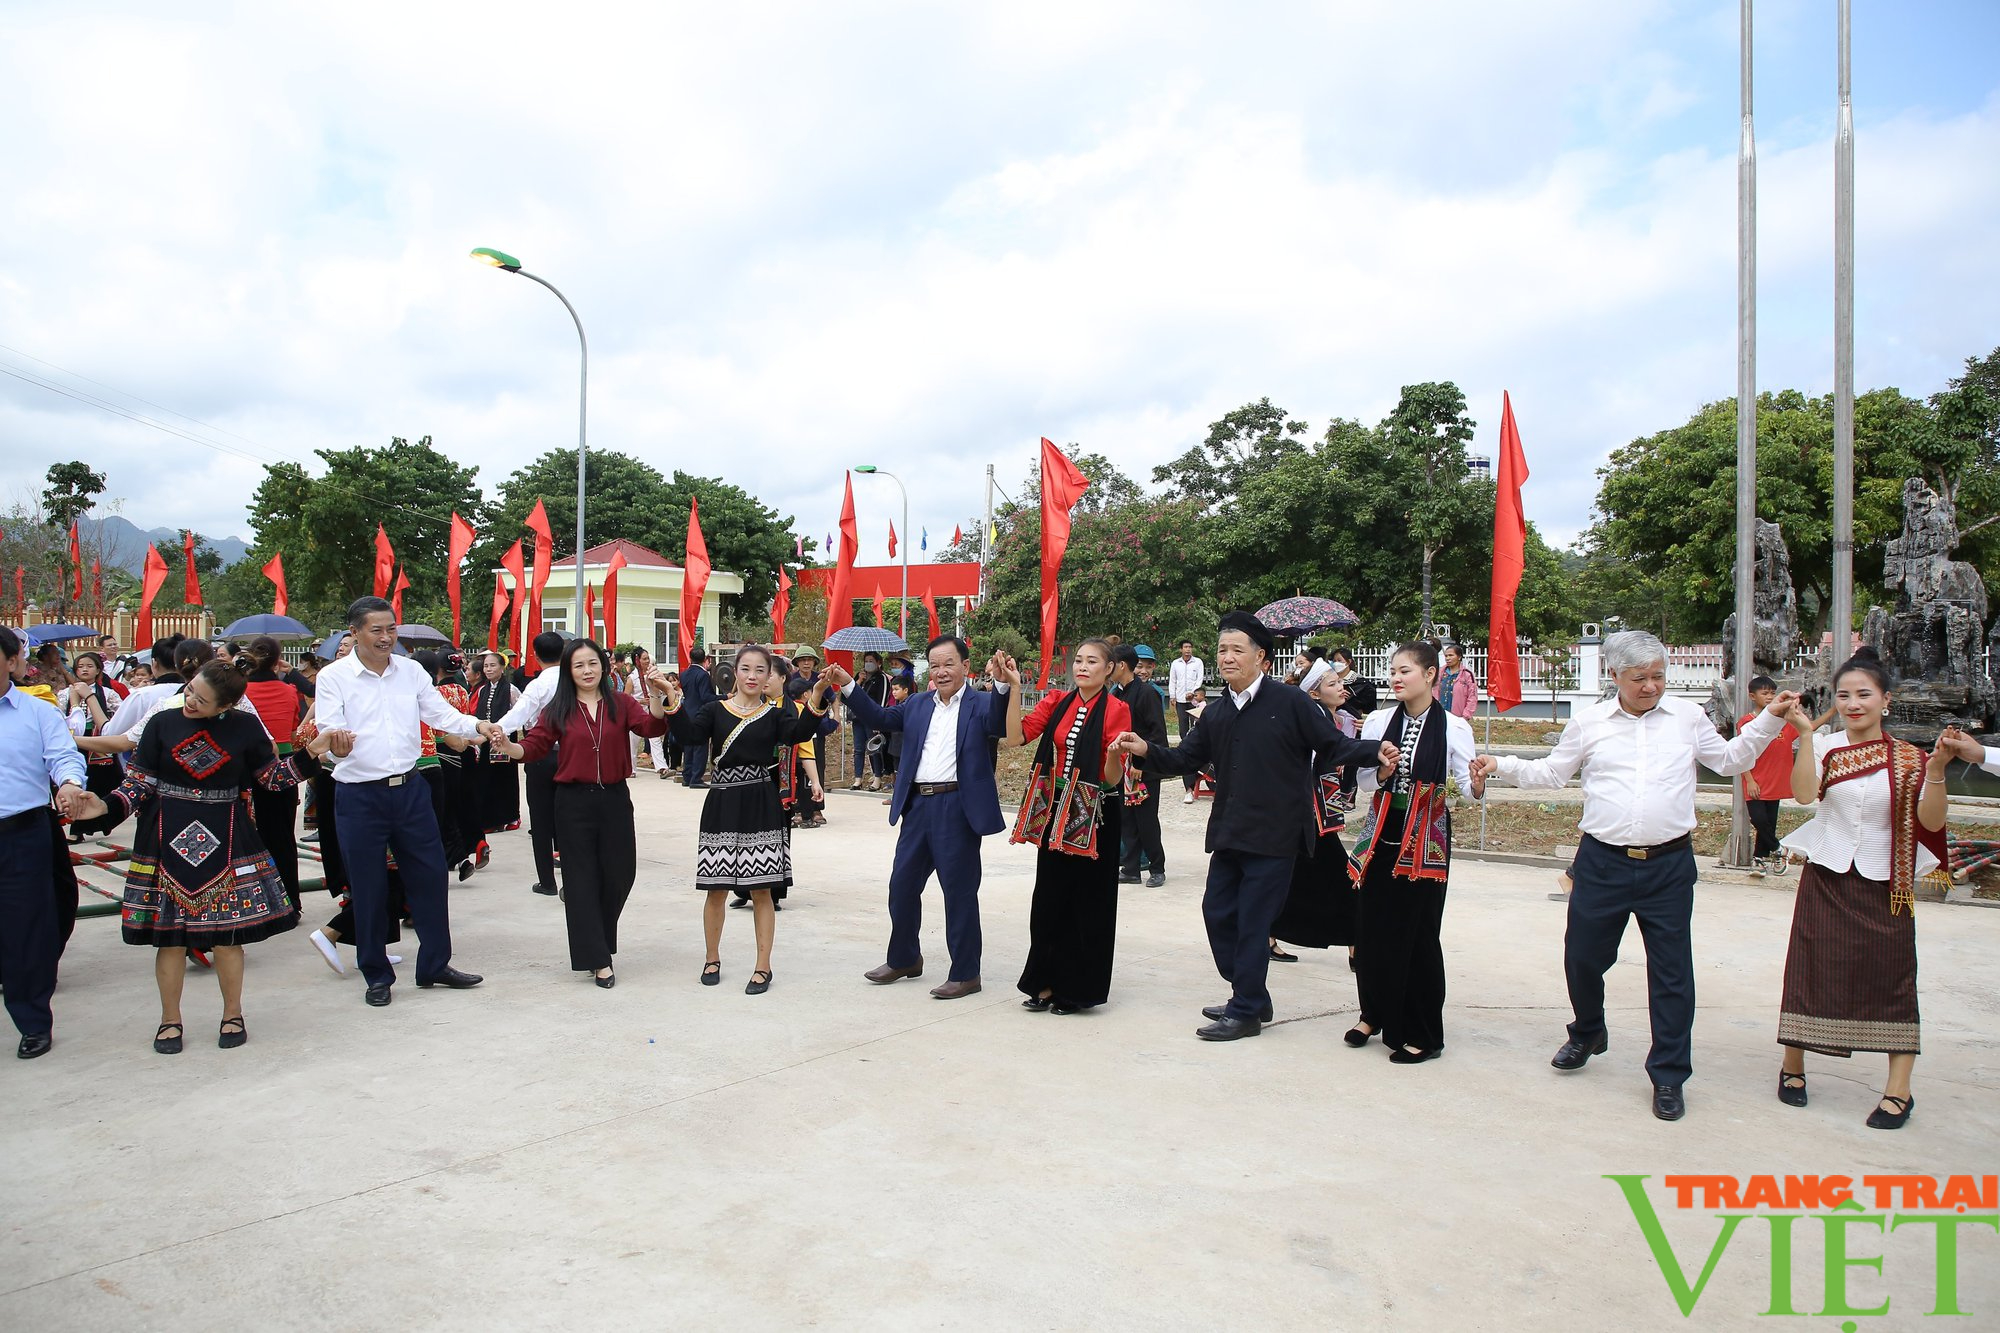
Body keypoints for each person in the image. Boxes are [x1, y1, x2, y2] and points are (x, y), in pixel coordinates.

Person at [1473, 630, 1797, 1121]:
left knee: (1671, 973)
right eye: (1639, 678)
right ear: (1613, 676)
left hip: (1668, 864)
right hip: (1602, 862)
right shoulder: (1589, 723)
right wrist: (1501, 763)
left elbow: (1731, 760)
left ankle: (1668, 1075)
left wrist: (1770, 720)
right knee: (1582, 958)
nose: (1651, 686)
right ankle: (1587, 1031)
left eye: (1658, 676)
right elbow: (1555, 774)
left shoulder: (1688, 717)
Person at [1114, 612, 1394, 1041]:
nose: (1226, 657)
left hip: (1277, 835)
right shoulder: (1217, 712)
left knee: (1252, 922)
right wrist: (1144, 749)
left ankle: (1245, 1009)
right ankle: (1252, 993)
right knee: (1217, 913)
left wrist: (1376, 751)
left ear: (1261, 657)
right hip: (1230, 830)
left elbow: (1334, 746)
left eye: (1236, 650)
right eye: (1222, 649)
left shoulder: (1292, 704)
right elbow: (1183, 759)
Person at [70, 660, 336, 1051]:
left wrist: (311, 753)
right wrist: (105, 808)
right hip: (164, 836)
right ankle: (170, 1021)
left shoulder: (246, 728)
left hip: (227, 838)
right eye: (190, 689)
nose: (190, 700)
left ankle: (232, 1013)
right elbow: (139, 783)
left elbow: (271, 779)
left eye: (202, 699)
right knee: (170, 940)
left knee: (228, 937)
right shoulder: (162, 722)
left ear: (226, 706)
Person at [1771, 649, 1948, 1130]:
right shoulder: (1826, 747)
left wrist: (1936, 773)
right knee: (1812, 968)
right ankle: (1793, 1066)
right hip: (1827, 873)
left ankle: (1899, 1090)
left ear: (1885, 700)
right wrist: (1805, 737)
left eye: (1863, 694)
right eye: (1844, 695)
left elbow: (1930, 822)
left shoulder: (1913, 758)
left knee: (1892, 977)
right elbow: (1805, 795)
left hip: (1886, 882)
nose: (1852, 703)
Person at [312, 597, 490, 1007]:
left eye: (391, 628)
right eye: (376, 630)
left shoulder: (410, 672)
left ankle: (434, 965)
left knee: (430, 877)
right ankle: (376, 974)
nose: (386, 637)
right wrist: (337, 745)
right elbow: (329, 732)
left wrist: (478, 724)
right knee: (370, 886)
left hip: (411, 790)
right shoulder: (334, 678)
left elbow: (441, 715)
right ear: (353, 632)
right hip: (359, 795)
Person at [829, 636, 1023, 999]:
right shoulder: (917, 704)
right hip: (918, 807)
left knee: (959, 893)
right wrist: (848, 683)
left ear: (966, 667)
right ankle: (904, 959)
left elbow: (999, 722)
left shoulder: (980, 704)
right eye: (934, 665)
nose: (941, 671)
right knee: (901, 885)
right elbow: (879, 718)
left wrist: (1000, 682)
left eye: (949, 663)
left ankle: (966, 973)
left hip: (958, 808)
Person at [489, 639, 671, 988]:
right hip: (572, 802)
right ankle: (599, 958)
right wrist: (508, 745)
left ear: (603, 666)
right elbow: (533, 746)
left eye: (592, 663)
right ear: (568, 671)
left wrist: (659, 699)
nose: (587, 671)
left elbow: (652, 728)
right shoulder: (559, 708)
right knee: (581, 880)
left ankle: (597, 941)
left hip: (615, 799)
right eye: (578, 665)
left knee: (621, 874)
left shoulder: (620, 703)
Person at [660, 646, 835, 994]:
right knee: (716, 889)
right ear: (734, 672)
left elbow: (800, 733)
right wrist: (670, 697)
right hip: (722, 803)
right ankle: (712, 957)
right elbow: (690, 736)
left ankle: (762, 966)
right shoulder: (714, 710)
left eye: (760, 670)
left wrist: (816, 693)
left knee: (762, 889)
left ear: (770, 676)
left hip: (760, 803)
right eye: (746, 669)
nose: (753, 676)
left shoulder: (774, 715)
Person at [1344, 642, 1478, 1063]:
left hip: (1426, 838)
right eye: (1393, 671)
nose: (1396, 678)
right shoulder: (1380, 721)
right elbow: (1365, 783)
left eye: (1405, 671)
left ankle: (1423, 1032)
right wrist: (1381, 771)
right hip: (1382, 829)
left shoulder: (1455, 727)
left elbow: (1468, 793)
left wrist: (1476, 783)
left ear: (1431, 675)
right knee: (1370, 926)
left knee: (1418, 935)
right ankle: (1373, 1013)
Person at [1006, 639, 1130, 1013]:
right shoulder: (1057, 701)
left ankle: (1077, 990)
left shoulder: (1117, 709)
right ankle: (1043, 981)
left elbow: (1111, 779)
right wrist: (1014, 688)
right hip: (1055, 809)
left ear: (1108, 669)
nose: (1082, 666)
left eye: (1092, 661)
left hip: (1096, 812)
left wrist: (1113, 757)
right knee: (1048, 898)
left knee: (1089, 902)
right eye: (1078, 660)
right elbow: (1016, 738)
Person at [0, 626, 88, 1059]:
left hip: (21, 831)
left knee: (26, 930)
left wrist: (70, 784)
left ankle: (32, 1020)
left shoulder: (36, 712)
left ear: (12, 661)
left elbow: (64, 755)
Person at [1272, 669, 1362, 966]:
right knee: (1342, 876)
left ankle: (1267, 935)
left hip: (1319, 815)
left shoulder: (1338, 718)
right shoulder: (1315, 719)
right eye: (1332, 684)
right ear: (1313, 693)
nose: (1342, 689)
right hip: (1308, 815)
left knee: (1295, 879)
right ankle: (1356, 943)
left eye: (1341, 683)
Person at [238, 636, 308, 908]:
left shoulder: (239, 691)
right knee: (283, 836)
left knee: (250, 837)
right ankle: (290, 900)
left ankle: (257, 901)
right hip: (283, 769)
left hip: (248, 768)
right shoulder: (290, 691)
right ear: (278, 659)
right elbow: (291, 730)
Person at [497, 632, 567, 895]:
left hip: (540, 753)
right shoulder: (574, 680)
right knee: (570, 816)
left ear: (536, 657)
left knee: (541, 819)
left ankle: (547, 881)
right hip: (572, 754)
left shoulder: (538, 685)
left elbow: (518, 716)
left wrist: (490, 730)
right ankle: (571, 881)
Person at [1109, 644, 1168, 887]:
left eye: (1111, 664)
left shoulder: (1147, 694)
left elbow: (1158, 735)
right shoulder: (1115, 694)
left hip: (1144, 769)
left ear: (1122, 665)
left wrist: (1141, 763)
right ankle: (1131, 868)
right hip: (1122, 768)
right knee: (1127, 820)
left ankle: (1157, 867)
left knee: (1146, 820)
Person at [1738, 674, 1796, 870]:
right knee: (1759, 819)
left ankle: (1760, 856)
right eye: (1765, 693)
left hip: (1775, 779)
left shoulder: (1783, 722)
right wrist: (1750, 780)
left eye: (1772, 693)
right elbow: (1741, 753)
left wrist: (1830, 712)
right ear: (1752, 696)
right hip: (1755, 780)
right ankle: (1779, 849)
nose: (1770, 697)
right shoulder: (1746, 722)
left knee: (1769, 821)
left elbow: (1807, 728)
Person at [471, 651, 523, 831]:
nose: (488, 669)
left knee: (504, 778)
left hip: (504, 740)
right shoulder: (482, 690)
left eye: (493, 665)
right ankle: (491, 819)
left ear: (502, 668)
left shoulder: (511, 690)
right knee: (486, 778)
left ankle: (511, 816)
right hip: (486, 740)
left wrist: (503, 732)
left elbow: (520, 715)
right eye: (486, 666)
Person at [1167, 639, 1206, 803]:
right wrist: (1173, 696)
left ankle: (1195, 746)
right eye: (1185, 647)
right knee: (1183, 729)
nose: (1188, 650)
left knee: (1196, 725)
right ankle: (1186, 746)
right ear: (1181, 649)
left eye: (1190, 647)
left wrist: (1194, 692)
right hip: (1181, 699)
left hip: (1193, 698)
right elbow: (1173, 679)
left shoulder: (1198, 662)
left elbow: (1200, 678)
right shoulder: (1175, 664)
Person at [850, 652, 891, 791]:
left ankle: (877, 777)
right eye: (866, 661)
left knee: (873, 748)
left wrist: (878, 719)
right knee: (858, 749)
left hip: (871, 718)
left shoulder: (882, 678)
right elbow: (849, 694)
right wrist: (860, 681)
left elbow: (883, 699)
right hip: (857, 718)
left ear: (878, 663)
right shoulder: (860, 676)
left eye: (871, 661)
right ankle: (857, 779)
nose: (868, 663)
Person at [677, 647, 717, 788]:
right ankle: (696, 779)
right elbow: (706, 697)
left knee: (689, 747)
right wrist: (725, 697)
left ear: (690, 658)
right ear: (705, 659)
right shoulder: (703, 675)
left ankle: (687, 777)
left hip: (686, 713)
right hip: (700, 715)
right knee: (700, 747)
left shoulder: (684, 674)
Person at [1436, 642, 1479, 719]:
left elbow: (1472, 697)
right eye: (1446, 656)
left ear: (1459, 657)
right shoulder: (1440, 673)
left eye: (1451, 655)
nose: (1448, 658)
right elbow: (1434, 693)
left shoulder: (1467, 675)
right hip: (1440, 715)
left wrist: (1466, 716)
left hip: (1458, 717)